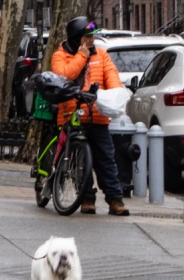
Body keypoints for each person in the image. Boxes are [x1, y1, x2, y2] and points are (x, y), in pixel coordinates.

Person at [48, 15, 129, 216]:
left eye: (93, 36)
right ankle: (86, 197)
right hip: (71, 115)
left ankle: (115, 199)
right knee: (78, 161)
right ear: (77, 38)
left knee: (106, 158)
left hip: (97, 116)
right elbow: (64, 76)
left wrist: (115, 93)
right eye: (87, 36)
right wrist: (82, 55)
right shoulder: (60, 56)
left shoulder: (101, 55)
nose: (91, 40)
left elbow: (111, 75)